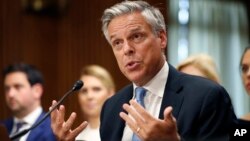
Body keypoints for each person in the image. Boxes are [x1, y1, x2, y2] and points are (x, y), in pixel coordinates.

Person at [50, 1, 237, 141]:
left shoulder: (206, 96)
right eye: (117, 43)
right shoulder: (111, 108)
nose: (127, 49)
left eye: (136, 36)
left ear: (161, 38)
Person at [1, 63, 56, 141]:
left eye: (17, 87)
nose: (10, 94)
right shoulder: (2, 127)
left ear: (37, 91)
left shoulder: (53, 130)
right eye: (7, 88)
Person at [75, 65, 115, 141]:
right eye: (84, 91)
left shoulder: (122, 132)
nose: (89, 96)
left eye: (96, 89)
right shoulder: (77, 137)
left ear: (110, 93)